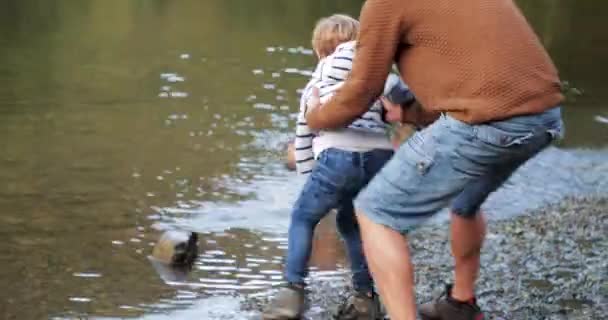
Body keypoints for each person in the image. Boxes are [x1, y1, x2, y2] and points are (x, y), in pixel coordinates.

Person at [305, 1, 565, 319]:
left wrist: (316, 118)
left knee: (375, 212)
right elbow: (484, 80)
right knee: (466, 200)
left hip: (488, 124)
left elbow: (361, 90)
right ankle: (461, 304)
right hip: (543, 117)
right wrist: (410, 113)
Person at [263, 14, 415, 320]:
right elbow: (397, 89)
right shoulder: (371, 73)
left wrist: (309, 176)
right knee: (353, 224)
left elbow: (304, 134)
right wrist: (406, 102)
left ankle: (292, 293)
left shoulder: (318, 79)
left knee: (303, 217)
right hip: (379, 157)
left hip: (337, 156)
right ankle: (365, 298)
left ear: (320, 51)